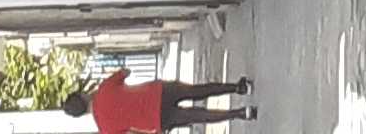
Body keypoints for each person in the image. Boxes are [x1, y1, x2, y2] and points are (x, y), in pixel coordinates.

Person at [70, 66, 252, 132]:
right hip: (158, 92)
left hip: (156, 120)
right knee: (197, 91)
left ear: (82, 114)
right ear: (82, 95)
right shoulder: (104, 88)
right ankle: (238, 88)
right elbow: (126, 71)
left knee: (198, 116)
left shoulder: (105, 129)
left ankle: (240, 113)